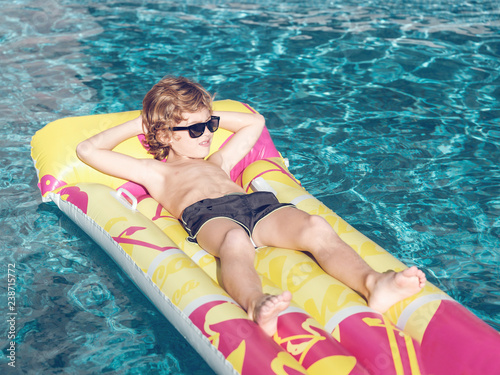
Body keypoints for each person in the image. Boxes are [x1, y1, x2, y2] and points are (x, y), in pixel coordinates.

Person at [77, 76, 426, 336]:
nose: (209, 133)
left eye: (210, 124)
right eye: (195, 129)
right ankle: (256, 304)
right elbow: (88, 151)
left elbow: (254, 123)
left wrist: (206, 116)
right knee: (235, 243)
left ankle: (373, 283)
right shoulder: (154, 171)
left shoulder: (218, 159)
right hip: (207, 214)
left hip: (254, 204)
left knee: (315, 227)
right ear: (166, 135)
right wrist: (142, 123)